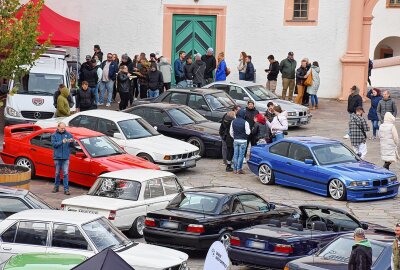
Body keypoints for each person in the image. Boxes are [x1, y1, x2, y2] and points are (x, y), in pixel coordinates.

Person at [51, 122, 73, 195]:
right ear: (58, 127)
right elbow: (54, 145)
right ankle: (56, 187)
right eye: (61, 128)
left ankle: (66, 189)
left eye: (64, 128)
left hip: (66, 157)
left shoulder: (68, 134)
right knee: (57, 173)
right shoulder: (54, 135)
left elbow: (73, 144)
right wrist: (62, 142)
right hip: (57, 157)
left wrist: (72, 141)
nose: (63, 129)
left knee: (65, 173)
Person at [230, 109, 251, 174]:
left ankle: (234, 169)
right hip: (243, 140)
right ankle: (239, 169)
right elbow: (248, 132)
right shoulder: (245, 122)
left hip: (236, 140)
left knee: (235, 155)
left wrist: (235, 137)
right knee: (241, 155)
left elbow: (231, 132)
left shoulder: (233, 121)